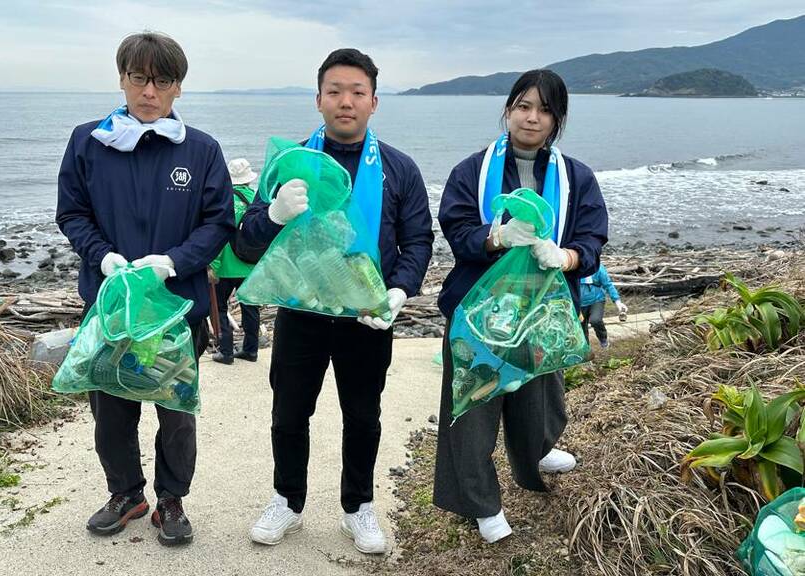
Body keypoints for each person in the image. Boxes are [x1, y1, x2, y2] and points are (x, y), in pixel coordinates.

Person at [237, 48, 433, 554]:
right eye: (335, 91)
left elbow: (417, 240)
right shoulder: (291, 162)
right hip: (301, 313)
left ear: (374, 102)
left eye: (357, 92)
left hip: (368, 316)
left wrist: (400, 289)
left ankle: (358, 507)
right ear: (318, 100)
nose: (346, 101)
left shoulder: (399, 169)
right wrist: (275, 214)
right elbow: (246, 242)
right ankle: (287, 500)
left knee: (363, 414)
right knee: (288, 413)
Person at [55, 31, 235, 547]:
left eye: (162, 81)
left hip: (176, 308)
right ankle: (126, 493)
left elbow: (218, 221)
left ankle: (172, 499)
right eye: (139, 78)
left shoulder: (200, 150)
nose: (149, 91)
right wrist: (101, 255)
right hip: (109, 306)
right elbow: (72, 212)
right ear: (122, 79)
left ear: (178, 87)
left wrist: (174, 262)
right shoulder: (89, 141)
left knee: (176, 410)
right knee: (110, 407)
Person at [433, 69, 608, 543]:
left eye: (545, 109)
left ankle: (537, 448)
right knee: (473, 408)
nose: (533, 117)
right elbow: (457, 229)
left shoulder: (577, 177)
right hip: (478, 312)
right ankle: (480, 503)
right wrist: (495, 236)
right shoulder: (473, 170)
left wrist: (566, 255)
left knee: (542, 395)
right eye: (524, 106)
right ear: (508, 110)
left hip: (543, 310)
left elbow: (591, 239)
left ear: (557, 119)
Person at [209, 158, 261, 365]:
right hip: (250, 265)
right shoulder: (256, 200)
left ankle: (226, 352)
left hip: (226, 266)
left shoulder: (224, 201)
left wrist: (212, 266)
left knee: (221, 308)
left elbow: (218, 236)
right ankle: (251, 350)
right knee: (250, 307)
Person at [579, 263, 627, 349]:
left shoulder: (597, 267)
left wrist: (618, 302)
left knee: (595, 320)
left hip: (596, 300)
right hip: (578, 304)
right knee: (581, 327)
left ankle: (603, 340)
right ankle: (586, 350)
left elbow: (608, 285)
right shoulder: (571, 269)